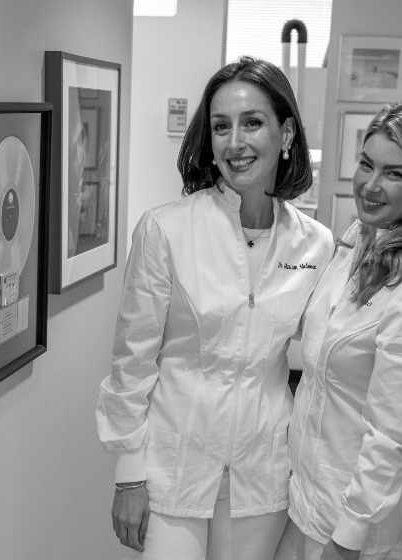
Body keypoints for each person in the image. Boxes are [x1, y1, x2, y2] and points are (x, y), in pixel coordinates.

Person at [96, 56, 334, 560]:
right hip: (171, 466)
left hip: (262, 473)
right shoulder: (166, 229)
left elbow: (325, 354)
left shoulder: (315, 245)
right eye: (221, 126)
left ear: (286, 133)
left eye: (253, 123)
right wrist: (127, 475)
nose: (235, 143)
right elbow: (131, 362)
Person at [274, 102, 402, 560]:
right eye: (366, 164)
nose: (370, 185)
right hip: (300, 490)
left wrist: (348, 540)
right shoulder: (353, 245)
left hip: (348, 514)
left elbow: (390, 435)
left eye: (394, 173)